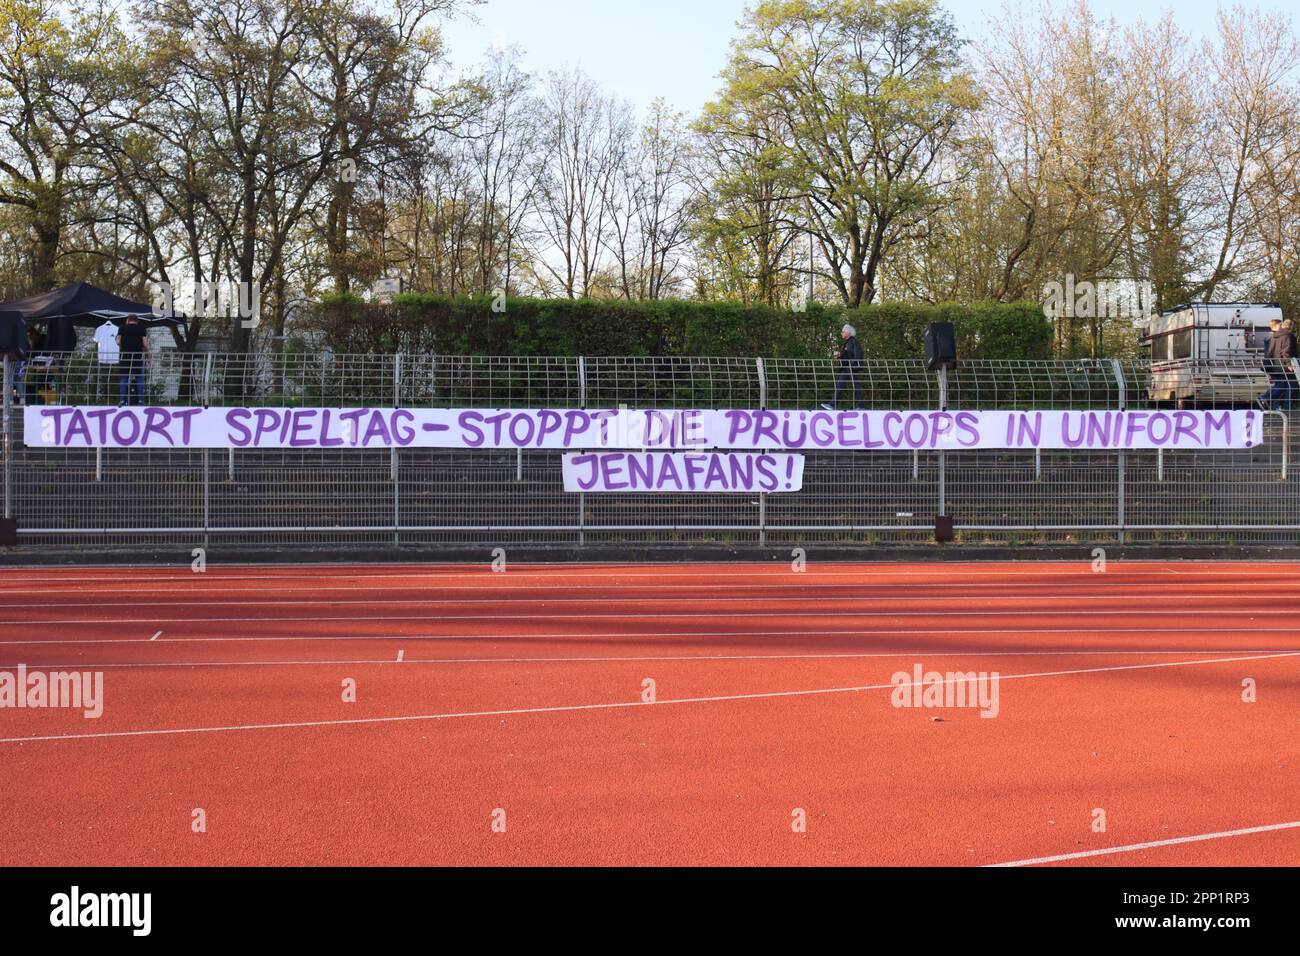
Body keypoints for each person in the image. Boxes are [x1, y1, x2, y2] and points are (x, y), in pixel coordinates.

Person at [821, 323, 864, 410]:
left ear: (848, 333)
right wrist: (839, 357)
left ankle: (861, 406)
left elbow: (858, 355)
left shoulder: (854, 342)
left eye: (843, 332)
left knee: (856, 386)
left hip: (852, 368)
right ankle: (832, 404)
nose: (842, 333)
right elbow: (847, 355)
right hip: (846, 368)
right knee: (840, 385)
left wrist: (853, 365)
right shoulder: (847, 343)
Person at [1261, 318, 1295, 411]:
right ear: (1291, 326)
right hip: (1283, 366)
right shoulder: (1287, 336)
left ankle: (1277, 405)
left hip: (1274, 365)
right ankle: (1266, 398)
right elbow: (1286, 352)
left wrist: (1267, 364)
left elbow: (1269, 352)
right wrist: (1289, 363)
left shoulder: (1274, 336)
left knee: (1282, 384)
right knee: (1286, 385)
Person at [116, 315, 149, 406]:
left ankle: (122, 401)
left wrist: (123, 346)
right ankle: (140, 401)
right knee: (139, 379)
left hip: (124, 357)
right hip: (137, 357)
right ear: (136, 321)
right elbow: (145, 344)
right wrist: (147, 355)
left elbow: (118, 341)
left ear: (128, 320)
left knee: (124, 379)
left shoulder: (122, 328)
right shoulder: (142, 328)